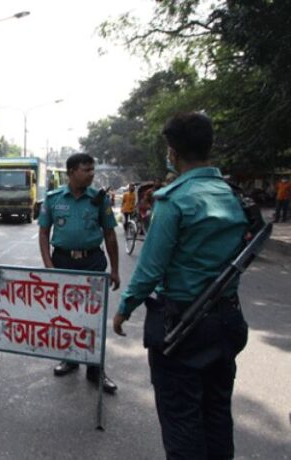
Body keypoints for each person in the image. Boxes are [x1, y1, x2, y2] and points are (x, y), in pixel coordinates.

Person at [113, 112, 249, 459]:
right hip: (228, 320)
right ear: (209, 146)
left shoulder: (174, 200)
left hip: (183, 326)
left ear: (172, 152)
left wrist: (125, 308)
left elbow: (150, 270)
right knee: (217, 413)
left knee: (182, 420)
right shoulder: (234, 196)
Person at [38, 153, 120, 394]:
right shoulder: (53, 199)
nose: (92, 174)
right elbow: (43, 234)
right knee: (66, 314)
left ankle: (95, 369)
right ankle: (70, 358)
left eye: (93, 169)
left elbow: (110, 235)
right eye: (87, 170)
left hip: (92, 262)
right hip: (62, 262)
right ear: (72, 172)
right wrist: (49, 265)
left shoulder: (99, 199)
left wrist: (115, 269)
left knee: (93, 316)